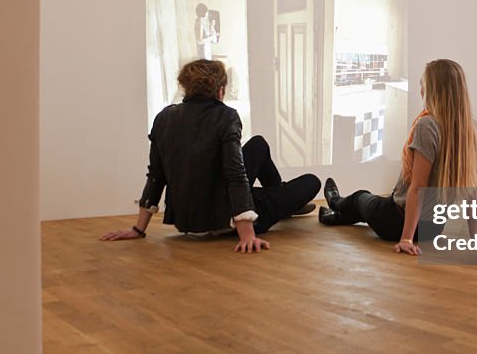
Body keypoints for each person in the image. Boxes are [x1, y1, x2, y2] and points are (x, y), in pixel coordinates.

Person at [101, 59, 319, 252]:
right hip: (227, 219)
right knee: (311, 182)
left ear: (185, 87)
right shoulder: (226, 116)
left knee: (258, 144)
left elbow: (156, 175)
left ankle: (280, 196)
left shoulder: (164, 117)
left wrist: (138, 229)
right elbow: (235, 174)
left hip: (188, 220)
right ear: (220, 89)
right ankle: (284, 202)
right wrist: (247, 234)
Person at [319, 59, 477, 256]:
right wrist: (476, 236)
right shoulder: (472, 128)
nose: (421, 90)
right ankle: (336, 217)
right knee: (369, 203)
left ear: (433, 90)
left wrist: (406, 238)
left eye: (423, 85)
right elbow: (472, 187)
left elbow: (418, 186)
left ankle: (335, 203)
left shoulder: (427, 126)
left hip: (395, 220)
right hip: (433, 228)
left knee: (360, 197)